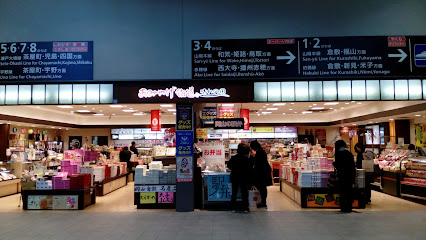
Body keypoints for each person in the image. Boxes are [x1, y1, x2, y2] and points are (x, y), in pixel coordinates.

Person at [227, 143, 251, 213]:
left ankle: (233, 207)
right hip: (244, 178)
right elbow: (249, 168)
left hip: (235, 177)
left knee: (234, 192)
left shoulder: (234, 158)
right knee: (244, 193)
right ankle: (245, 208)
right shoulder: (246, 159)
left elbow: (229, 166)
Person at [334, 140, 356, 213]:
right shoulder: (349, 154)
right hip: (349, 176)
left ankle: (343, 207)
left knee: (343, 192)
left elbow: (338, 165)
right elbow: (353, 167)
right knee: (349, 192)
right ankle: (349, 207)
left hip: (342, 176)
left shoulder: (338, 154)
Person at [250, 140, 272, 209]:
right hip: (264, 171)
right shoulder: (261, 151)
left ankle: (263, 203)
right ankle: (263, 202)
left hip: (262, 173)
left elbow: (258, 164)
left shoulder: (259, 152)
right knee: (263, 187)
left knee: (262, 188)